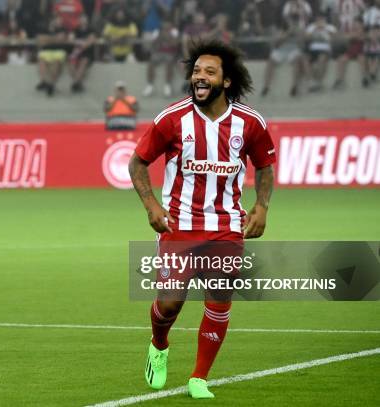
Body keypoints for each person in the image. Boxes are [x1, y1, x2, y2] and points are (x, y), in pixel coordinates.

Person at [129, 39, 275, 399]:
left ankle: (199, 377)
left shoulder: (249, 123)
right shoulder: (172, 119)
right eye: (196, 71)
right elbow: (138, 163)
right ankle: (159, 343)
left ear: (226, 81)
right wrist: (151, 206)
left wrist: (261, 207)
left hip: (226, 228)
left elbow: (265, 165)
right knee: (170, 303)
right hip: (179, 226)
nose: (200, 76)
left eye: (209, 71)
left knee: (219, 297)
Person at [142, 21, 179, 97]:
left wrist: (168, 37)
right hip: (159, 53)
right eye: (164, 25)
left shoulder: (174, 32)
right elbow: (153, 45)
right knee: (151, 62)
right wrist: (160, 37)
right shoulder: (157, 32)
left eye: (168, 25)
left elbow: (175, 44)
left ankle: (167, 85)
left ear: (170, 25)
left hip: (170, 53)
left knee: (169, 62)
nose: (166, 26)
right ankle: (150, 85)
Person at [35, 16, 69, 96]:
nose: (56, 22)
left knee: (56, 63)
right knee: (41, 61)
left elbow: (61, 39)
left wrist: (47, 39)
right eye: (55, 20)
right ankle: (44, 81)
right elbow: (40, 41)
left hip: (58, 51)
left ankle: (51, 84)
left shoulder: (62, 29)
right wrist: (54, 39)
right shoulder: (43, 29)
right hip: (45, 51)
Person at [304, 13, 337, 91]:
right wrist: (315, 29)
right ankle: (311, 81)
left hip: (325, 48)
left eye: (321, 19)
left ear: (325, 20)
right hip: (312, 48)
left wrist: (325, 28)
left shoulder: (330, 27)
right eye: (318, 19)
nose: (319, 21)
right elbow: (306, 38)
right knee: (305, 59)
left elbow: (335, 38)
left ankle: (318, 82)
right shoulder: (311, 27)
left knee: (321, 59)